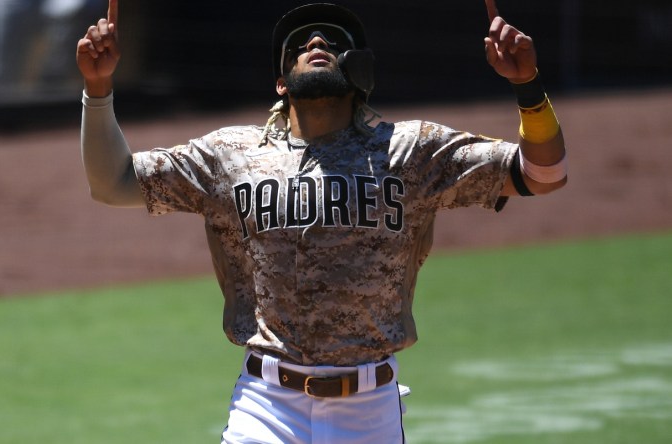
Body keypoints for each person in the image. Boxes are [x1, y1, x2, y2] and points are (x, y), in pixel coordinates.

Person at [77, 1, 567, 442]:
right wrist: (97, 91)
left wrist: (527, 85)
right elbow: (113, 182)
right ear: (281, 81)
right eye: (301, 43)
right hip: (266, 406)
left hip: (369, 410)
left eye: (333, 43)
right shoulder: (230, 155)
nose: (316, 43)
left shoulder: (411, 150)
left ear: (361, 71)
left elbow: (544, 173)